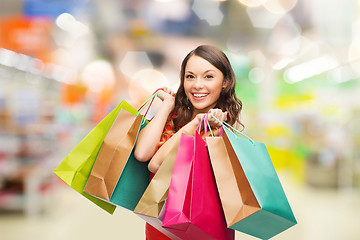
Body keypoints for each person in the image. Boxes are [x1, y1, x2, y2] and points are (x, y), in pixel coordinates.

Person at [134, 45, 244, 240]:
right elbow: (142, 154)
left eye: (208, 77)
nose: (197, 85)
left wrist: (197, 124)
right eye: (190, 76)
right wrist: (167, 106)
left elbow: (156, 164)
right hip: (161, 226)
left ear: (225, 82)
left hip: (200, 228)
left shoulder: (221, 132)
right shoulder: (175, 116)